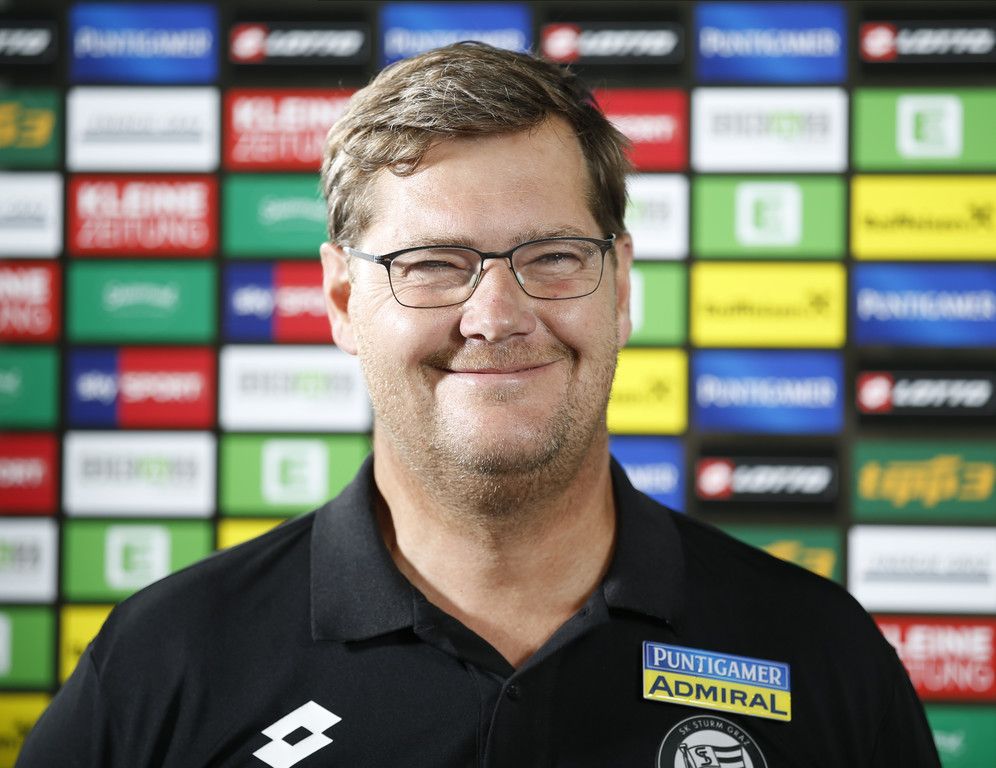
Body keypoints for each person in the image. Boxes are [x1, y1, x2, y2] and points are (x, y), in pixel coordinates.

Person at [18, 42, 939, 767]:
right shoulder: (166, 663)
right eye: (432, 264)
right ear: (341, 300)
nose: (495, 317)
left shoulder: (819, 652)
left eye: (553, 257)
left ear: (620, 288)